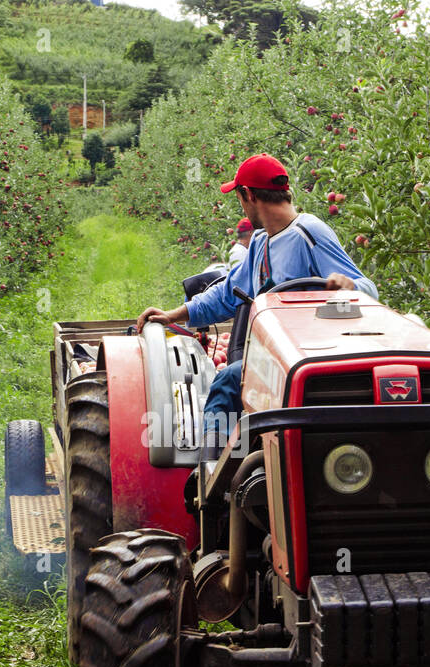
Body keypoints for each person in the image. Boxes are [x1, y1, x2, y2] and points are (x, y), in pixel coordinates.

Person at [135, 153, 377, 457]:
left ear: (248, 195)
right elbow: (227, 294)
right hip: (274, 357)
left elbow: (368, 289)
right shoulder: (261, 243)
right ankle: (229, 469)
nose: (240, 205)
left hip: (312, 356)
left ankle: (208, 477)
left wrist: (350, 286)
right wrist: (175, 314)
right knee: (235, 379)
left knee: (227, 381)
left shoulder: (309, 232)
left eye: (239, 197)